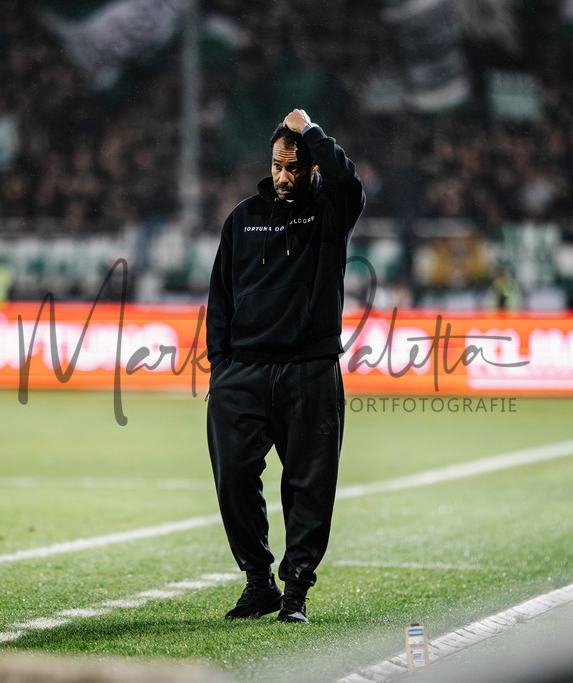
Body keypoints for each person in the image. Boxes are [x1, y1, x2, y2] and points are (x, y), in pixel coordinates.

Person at [205, 109, 365, 624]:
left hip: (309, 369)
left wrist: (312, 132)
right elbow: (220, 298)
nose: (283, 176)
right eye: (277, 165)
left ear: (312, 167)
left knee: (308, 485)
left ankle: (295, 591)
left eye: (294, 167)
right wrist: (222, 368)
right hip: (243, 373)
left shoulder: (330, 210)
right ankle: (259, 582)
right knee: (233, 476)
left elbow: (348, 181)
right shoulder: (242, 218)